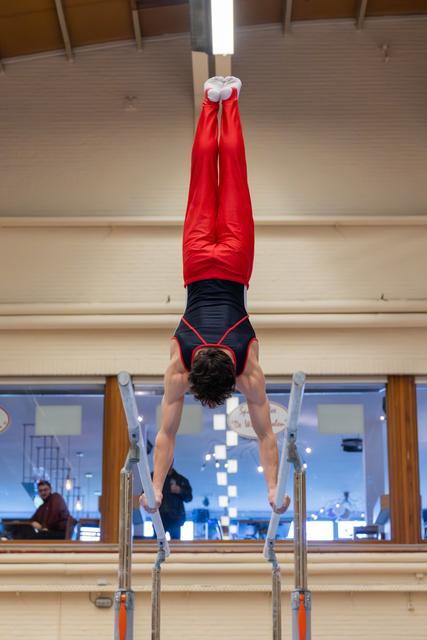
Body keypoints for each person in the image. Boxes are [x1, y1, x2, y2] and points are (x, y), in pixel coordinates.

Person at [141, 76, 290, 517]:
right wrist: (154, 484)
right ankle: (211, 101)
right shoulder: (177, 369)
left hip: (237, 262)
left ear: (232, 377)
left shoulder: (249, 371)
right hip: (195, 262)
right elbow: (165, 435)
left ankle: (231, 100)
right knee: (203, 181)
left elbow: (266, 436)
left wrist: (271, 489)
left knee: (236, 178)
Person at [155, 465, 193, 540]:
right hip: (159, 517)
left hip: (176, 518)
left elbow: (189, 497)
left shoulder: (181, 480)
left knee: (176, 544)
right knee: (157, 544)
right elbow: (145, 493)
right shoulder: (154, 478)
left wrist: (180, 490)